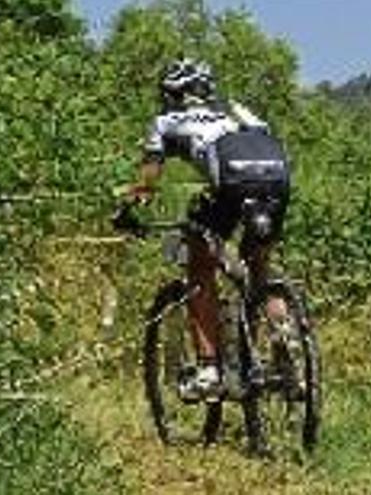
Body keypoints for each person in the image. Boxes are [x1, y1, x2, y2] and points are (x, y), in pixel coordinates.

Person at [123, 58, 290, 402]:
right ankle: (288, 349)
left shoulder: (166, 121)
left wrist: (131, 205)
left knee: (200, 264)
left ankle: (210, 368)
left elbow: (149, 176)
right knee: (259, 267)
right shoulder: (237, 112)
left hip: (231, 186)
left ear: (173, 93)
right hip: (276, 182)